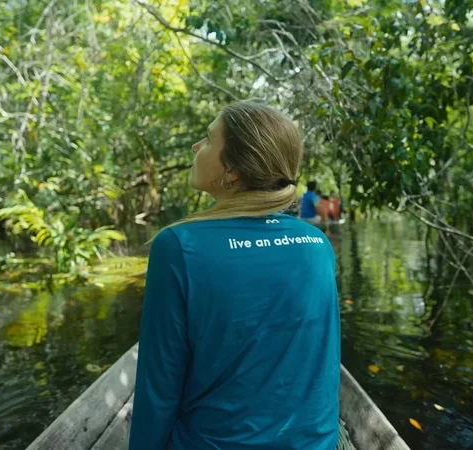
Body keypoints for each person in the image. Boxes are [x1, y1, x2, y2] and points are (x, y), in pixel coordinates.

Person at [129, 102, 341, 450]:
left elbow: (158, 391)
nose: (196, 147)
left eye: (209, 139)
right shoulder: (317, 244)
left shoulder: (178, 246)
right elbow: (324, 370)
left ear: (232, 170)